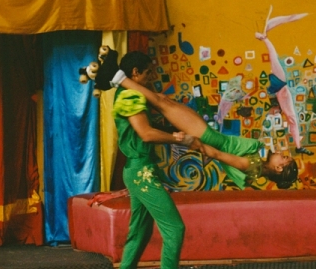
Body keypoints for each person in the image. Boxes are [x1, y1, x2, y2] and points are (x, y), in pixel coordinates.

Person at [98, 50, 298, 190]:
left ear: (278, 168)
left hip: (207, 137)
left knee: (162, 103)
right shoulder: (258, 162)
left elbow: (217, 155)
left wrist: (196, 145)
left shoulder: (253, 166)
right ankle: (112, 80)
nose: (283, 153)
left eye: (285, 158)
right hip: (210, 136)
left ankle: (117, 78)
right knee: (164, 102)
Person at [105, 52, 193, 269]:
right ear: (135, 73)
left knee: (140, 231)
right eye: (148, 73)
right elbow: (145, 133)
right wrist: (175, 137)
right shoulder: (131, 96)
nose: (151, 77)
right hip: (141, 170)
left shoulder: (132, 95)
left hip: (140, 169)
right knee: (175, 228)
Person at [255, 8, 308, 152]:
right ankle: (264, 37)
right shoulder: (282, 104)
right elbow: (291, 120)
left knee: (273, 56)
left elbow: (291, 121)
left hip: (278, 85)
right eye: (275, 113)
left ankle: (264, 37)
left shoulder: (280, 102)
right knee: (292, 119)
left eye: (274, 113)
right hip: (278, 85)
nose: (274, 113)